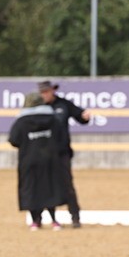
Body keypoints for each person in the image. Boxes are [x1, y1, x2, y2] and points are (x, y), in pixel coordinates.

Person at [9, 92, 68, 230]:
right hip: (50, 160)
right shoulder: (53, 119)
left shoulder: (21, 121)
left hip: (28, 160)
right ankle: (54, 220)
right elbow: (62, 138)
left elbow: (14, 140)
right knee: (50, 187)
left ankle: (35, 220)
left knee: (31, 188)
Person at [38, 79, 92, 228]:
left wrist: (85, 116)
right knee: (42, 185)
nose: (45, 95)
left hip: (62, 152)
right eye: (42, 92)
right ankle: (40, 218)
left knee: (67, 184)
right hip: (42, 153)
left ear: (53, 91)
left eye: (47, 91)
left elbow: (80, 116)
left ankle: (75, 216)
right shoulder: (37, 107)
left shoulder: (63, 104)